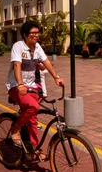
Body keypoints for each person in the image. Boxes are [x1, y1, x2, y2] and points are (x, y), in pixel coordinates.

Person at [6, 21, 64, 161]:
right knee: (33, 107)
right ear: (25, 35)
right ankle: (15, 128)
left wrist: (56, 77)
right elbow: (16, 64)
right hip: (16, 86)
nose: (36, 35)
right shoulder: (18, 46)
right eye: (33, 33)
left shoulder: (37, 47)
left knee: (32, 118)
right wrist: (20, 84)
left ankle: (33, 150)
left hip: (32, 87)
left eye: (38, 33)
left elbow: (46, 62)